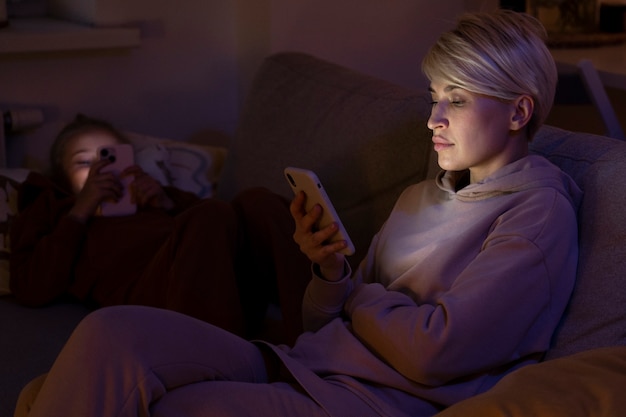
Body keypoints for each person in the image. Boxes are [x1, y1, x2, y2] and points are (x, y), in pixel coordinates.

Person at [16, 9, 582, 417]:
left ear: (517, 112)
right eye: (434, 95)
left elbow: (437, 350)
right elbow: (320, 324)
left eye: (456, 99)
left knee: (162, 404)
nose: (433, 118)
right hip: (304, 364)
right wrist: (331, 272)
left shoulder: (536, 216)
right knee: (112, 331)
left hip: (370, 400)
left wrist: (357, 295)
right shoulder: (422, 195)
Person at [9, 115, 311, 341]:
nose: (102, 172)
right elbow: (30, 287)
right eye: (84, 163)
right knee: (211, 214)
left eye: (110, 158)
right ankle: (220, 369)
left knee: (257, 201)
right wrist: (81, 209)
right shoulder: (56, 210)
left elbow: (224, 226)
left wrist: (165, 200)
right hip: (156, 298)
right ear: (62, 179)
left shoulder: (155, 197)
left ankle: (319, 333)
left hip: (226, 282)